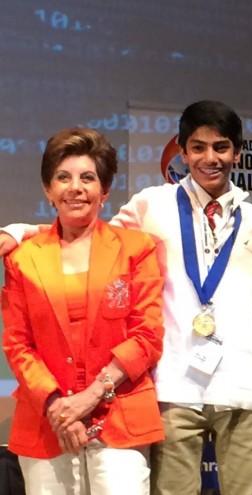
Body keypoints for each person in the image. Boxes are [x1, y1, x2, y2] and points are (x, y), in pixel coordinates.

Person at [0, 100, 252, 495]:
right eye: (198, 147)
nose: (210, 158)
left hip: (240, 387)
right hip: (175, 388)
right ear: (182, 151)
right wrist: (22, 231)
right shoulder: (150, 205)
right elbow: (84, 230)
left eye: (221, 147)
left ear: (237, 152)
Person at [1, 128, 165, 493]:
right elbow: (17, 344)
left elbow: (147, 335)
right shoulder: (23, 259)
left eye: (87, 177)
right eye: (63, 177)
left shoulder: (136, 248)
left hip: (120, 417)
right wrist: (60, 407)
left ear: (104, 191)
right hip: (48, 422)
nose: (75, 187)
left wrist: (89, 399)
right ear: (48, 189)